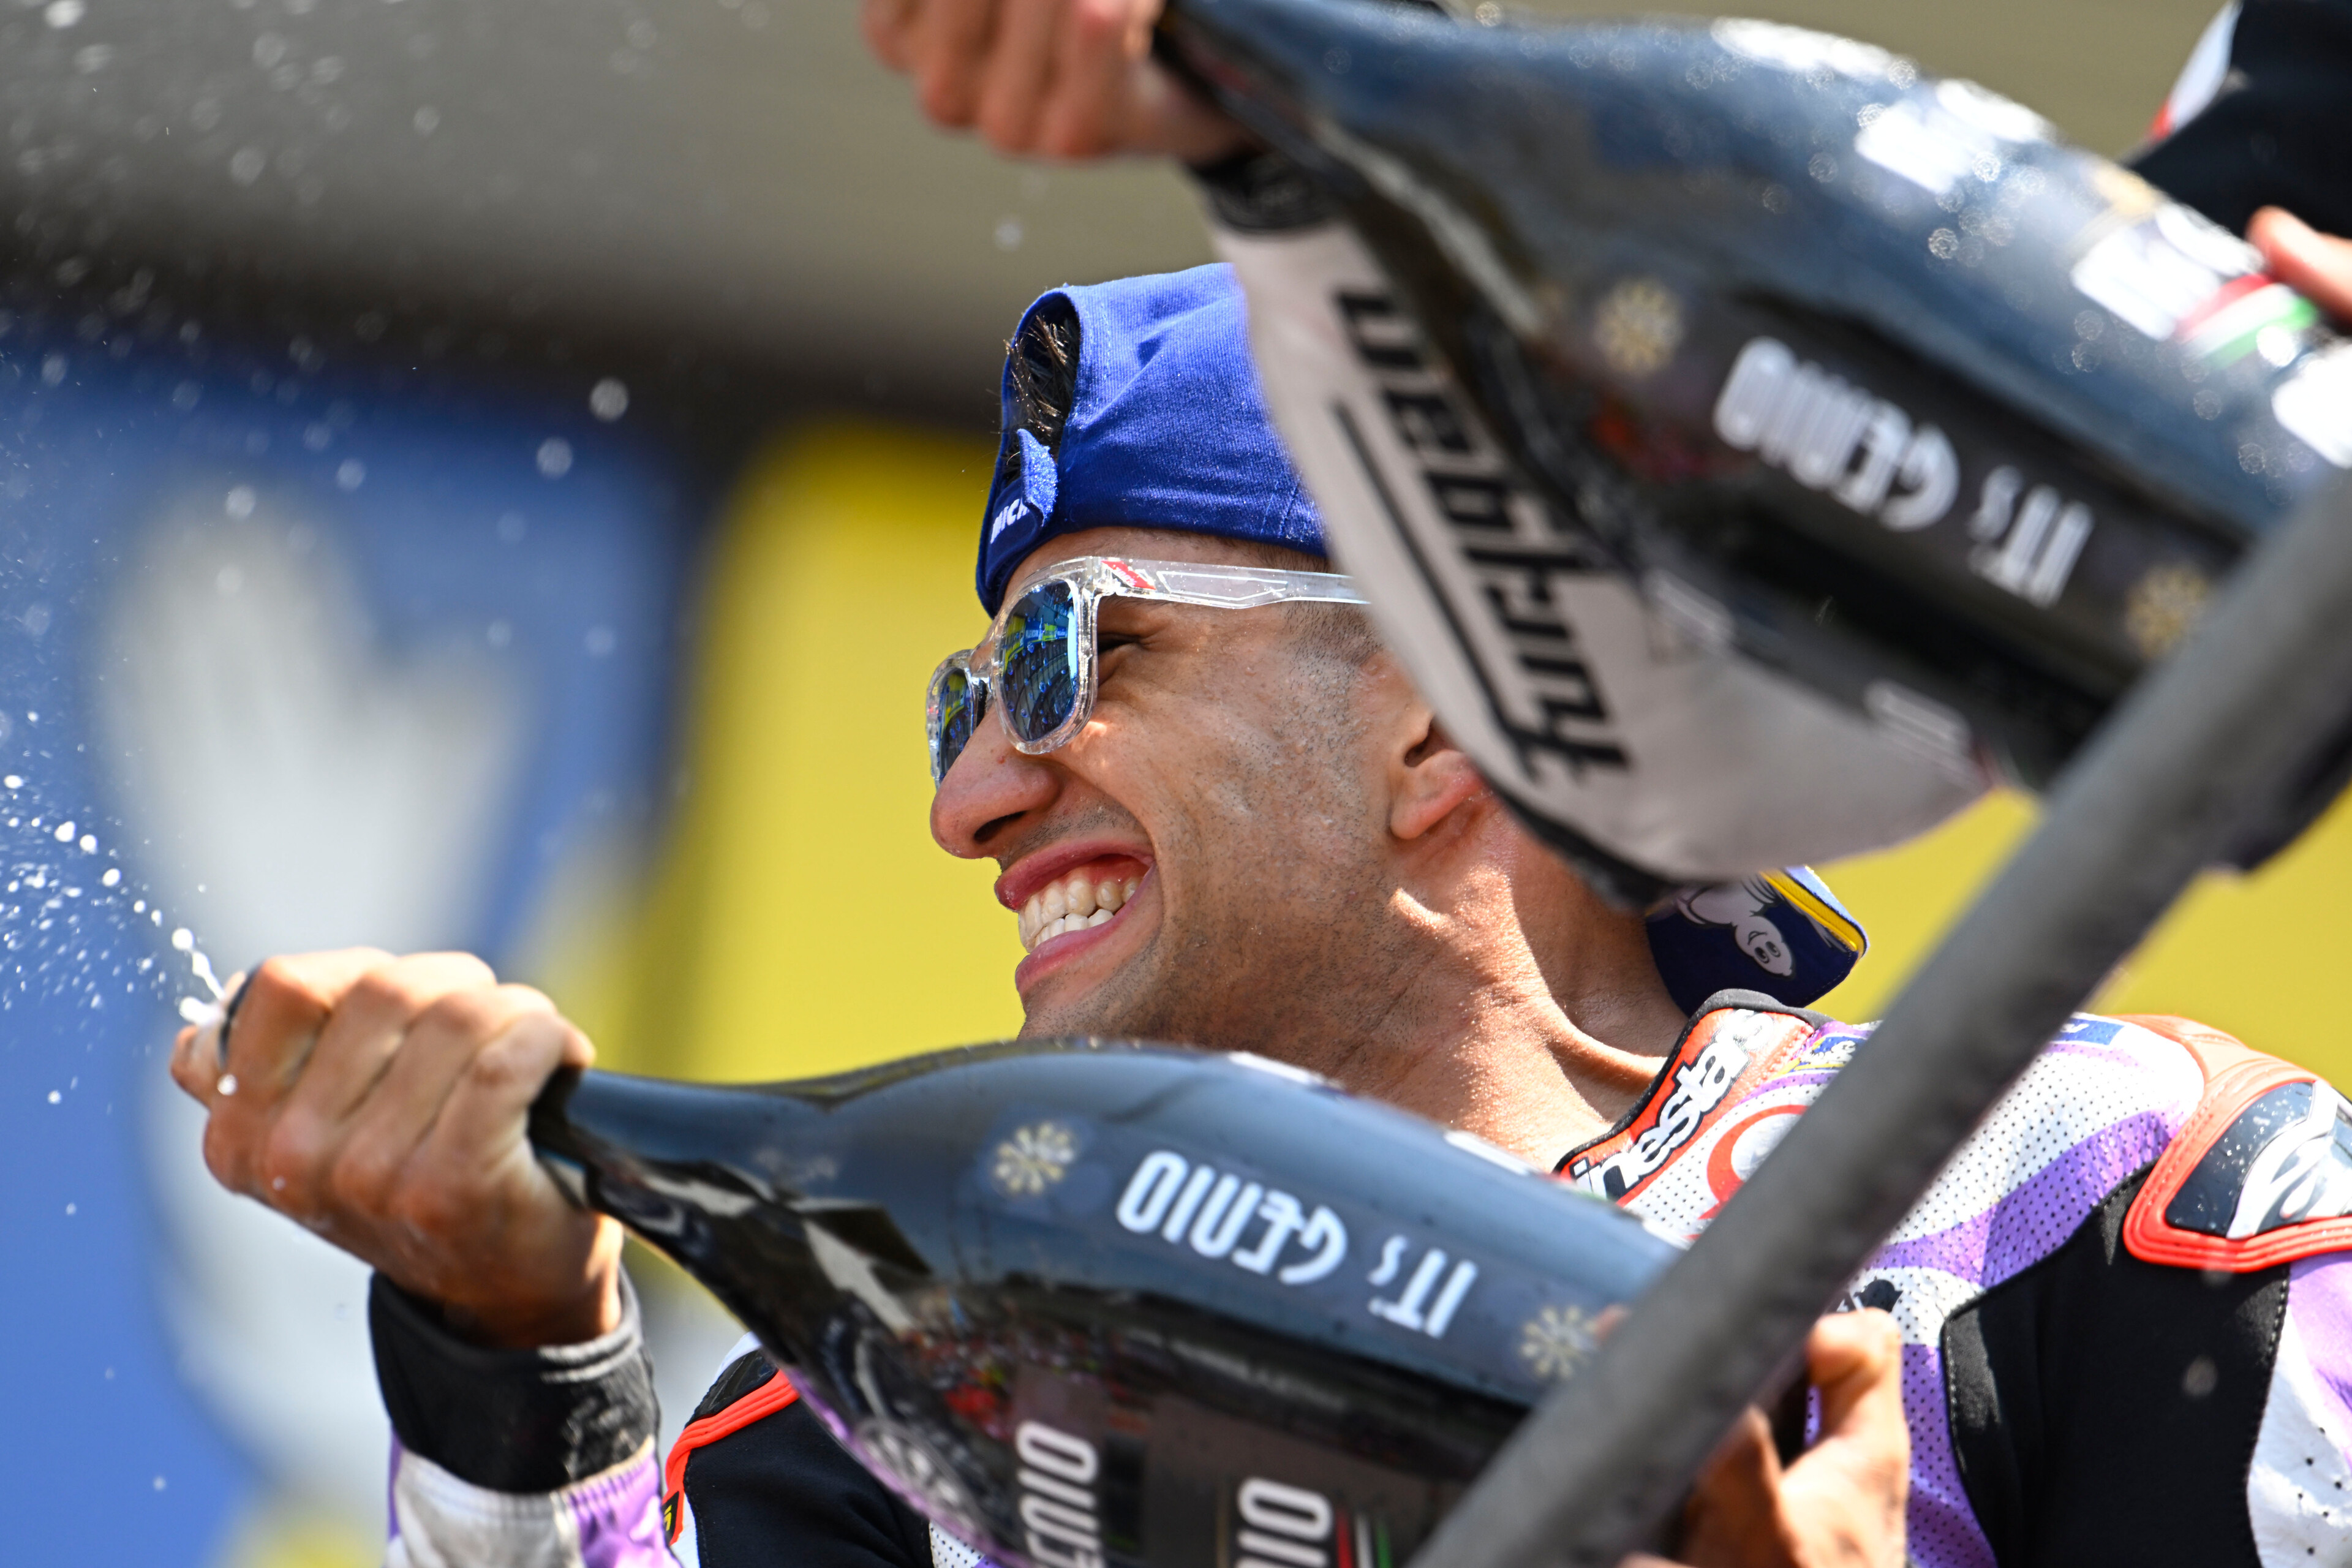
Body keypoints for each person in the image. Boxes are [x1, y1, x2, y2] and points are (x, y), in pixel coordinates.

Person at [172, 12, 2352, 1568]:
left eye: (1069, 658)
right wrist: (511, 1351)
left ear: (1441, 713)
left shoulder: (2100, 1192)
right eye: (959, 702)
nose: (971, 801)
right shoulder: (908, 1398)